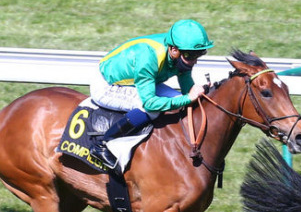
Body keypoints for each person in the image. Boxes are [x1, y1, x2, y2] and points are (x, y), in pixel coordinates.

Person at [87, 18, 214, 170]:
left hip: (140, 80)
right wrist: (187, 98)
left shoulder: (181, 51)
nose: (194, 61)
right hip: (107, 85)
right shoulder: (150, 57)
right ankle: (103, 143)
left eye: (199, 54)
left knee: (179, 102)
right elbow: (150, 102)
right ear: (174, 50)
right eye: (190, 56)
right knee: (151, 110)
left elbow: (185, 81)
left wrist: (194, 96)